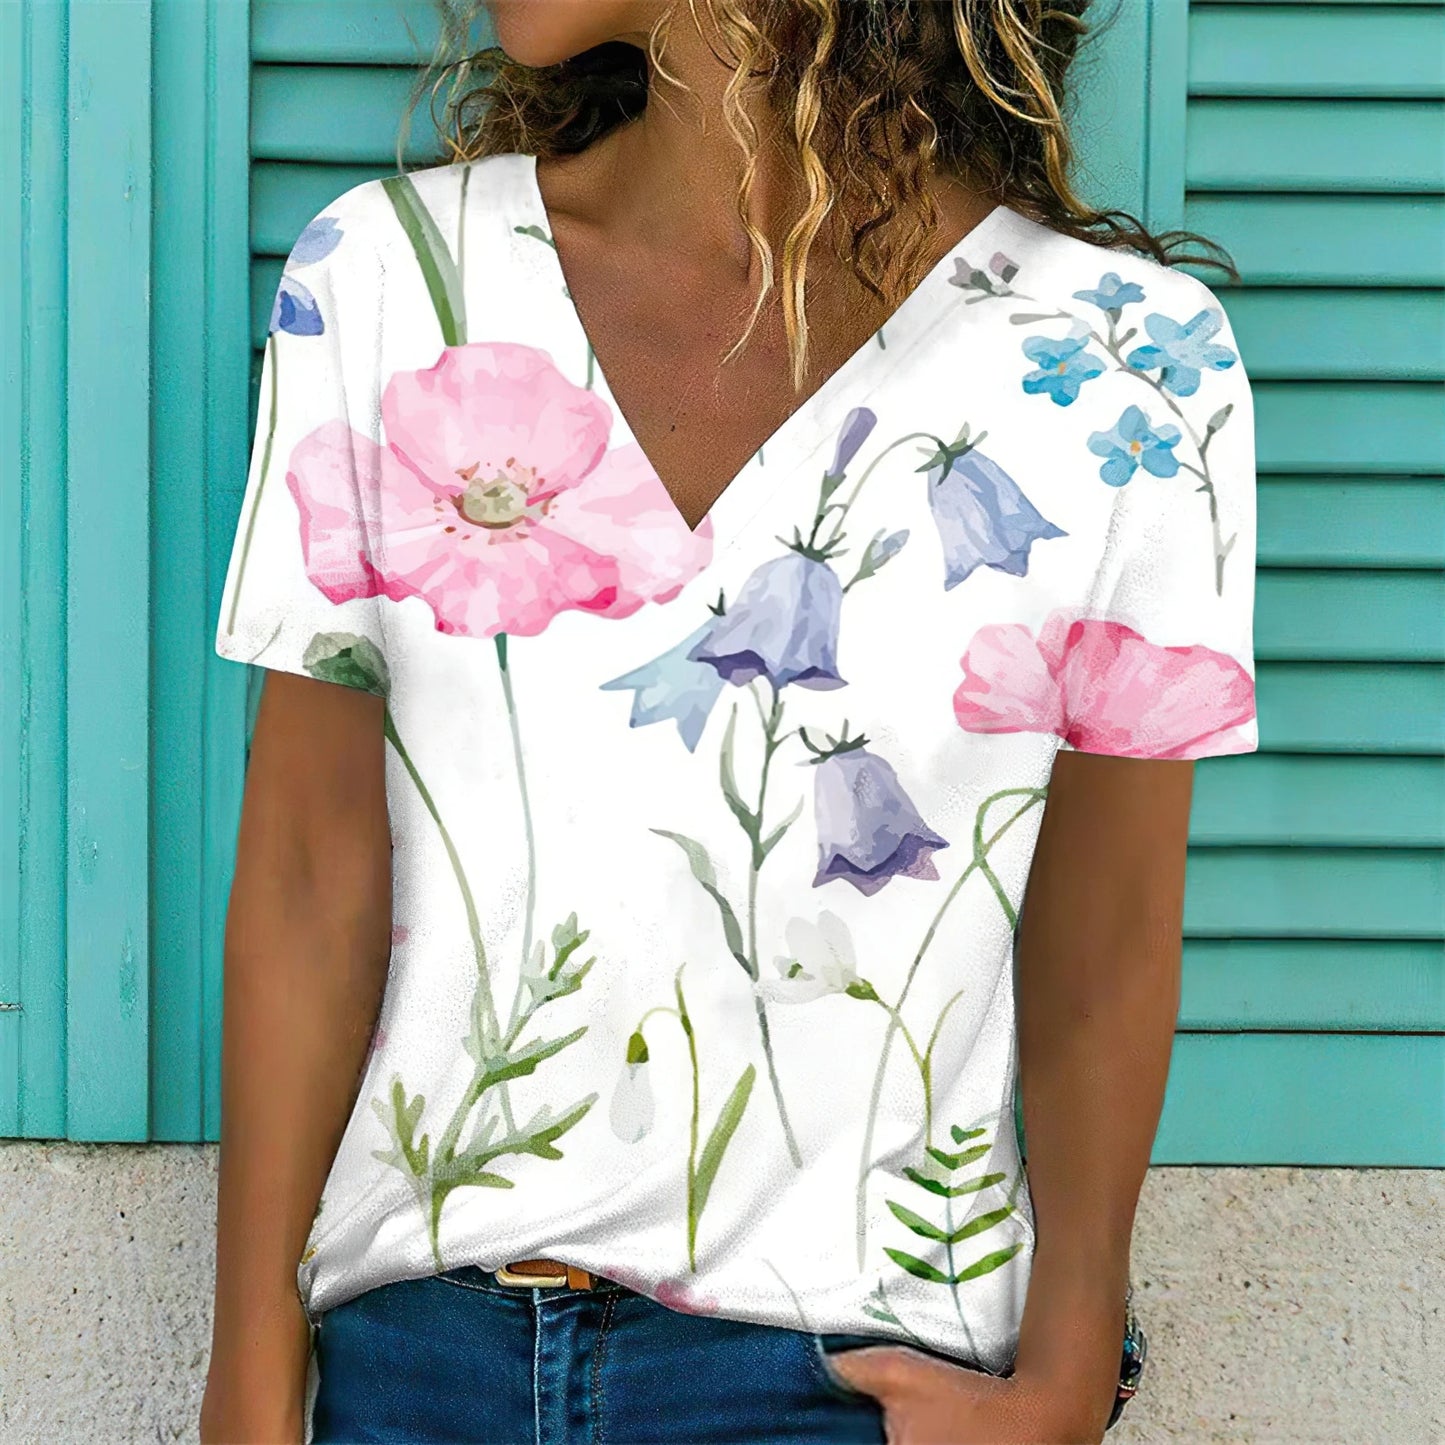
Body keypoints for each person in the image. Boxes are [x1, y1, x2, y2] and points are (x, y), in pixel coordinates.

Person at [200, 1, 1257, 1441]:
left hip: (843, 1375)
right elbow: (311, 874)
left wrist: (1064, 1377)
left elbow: (1107, 927)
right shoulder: (391, 277)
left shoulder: (1122, 364)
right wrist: (251, 1368)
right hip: (414, 1363)